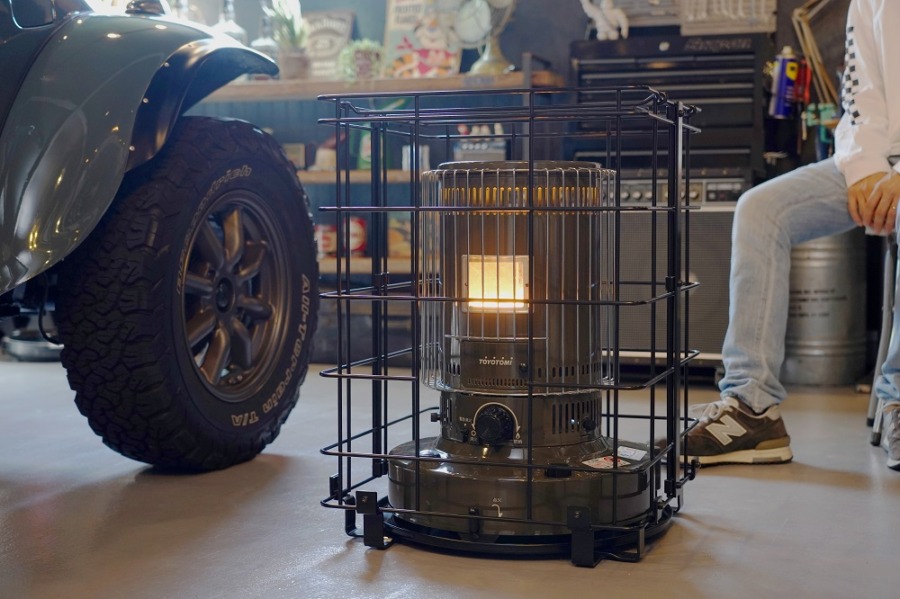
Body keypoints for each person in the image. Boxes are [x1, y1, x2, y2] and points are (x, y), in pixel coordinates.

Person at [686, 0, 900, 471]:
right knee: (760, 209)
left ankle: (898, 399)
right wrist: (866, 168)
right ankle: (751, 407)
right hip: (877, 160)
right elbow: (860, 91)